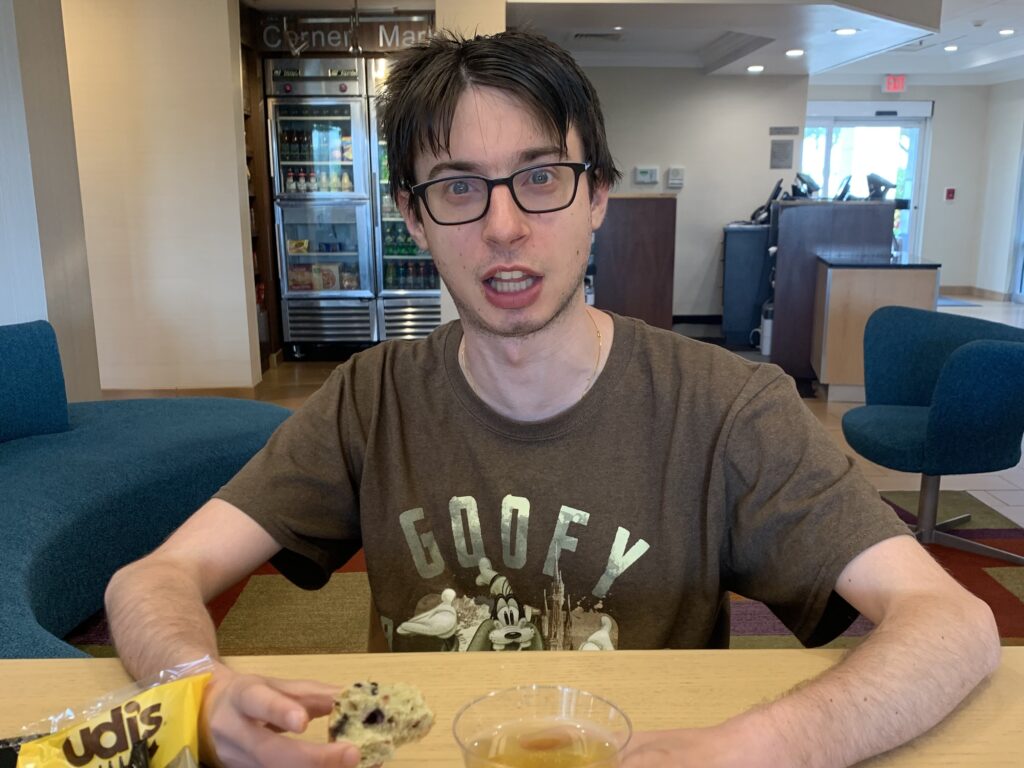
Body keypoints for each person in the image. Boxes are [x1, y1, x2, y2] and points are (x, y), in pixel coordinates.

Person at [105, 30, 1000, 768]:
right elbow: (152, 579)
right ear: (414, 219)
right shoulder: (371, 400)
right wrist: (196, 684)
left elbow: (952, 623)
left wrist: (756, 745)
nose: (503, 225)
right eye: (457, 186)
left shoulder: (727, 407)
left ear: (596, 196)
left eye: (541, 177)